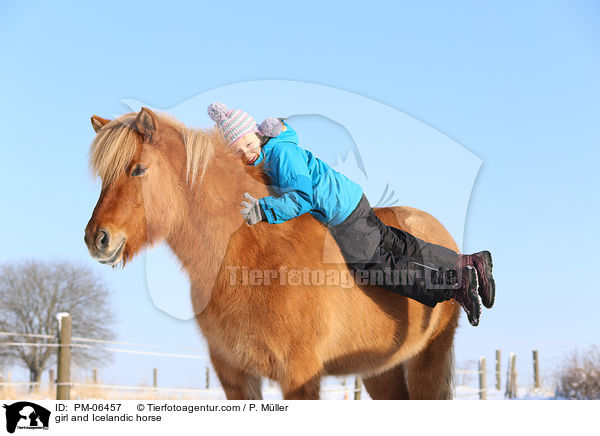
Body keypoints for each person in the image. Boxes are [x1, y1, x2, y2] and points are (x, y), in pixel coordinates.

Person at [208, 102, 495, 326]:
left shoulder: (282, 156)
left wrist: (264, 209)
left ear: (257, 135)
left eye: (247, 144)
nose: (246, 154)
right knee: (399, 244)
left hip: (342, 214)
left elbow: (303, 197)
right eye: (238, 152)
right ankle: (469, 262)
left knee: (375, 266)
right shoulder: (278, 147)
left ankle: (456, 285)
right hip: (351, 198)